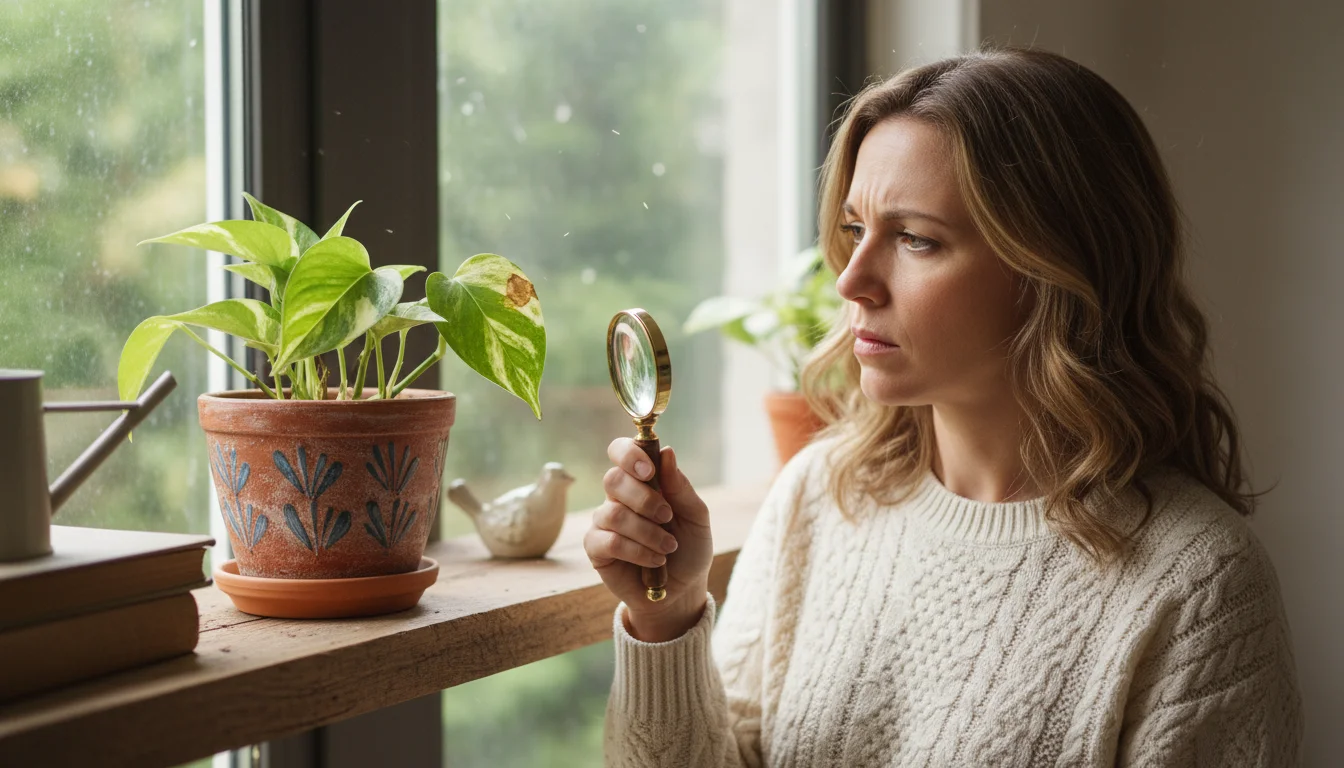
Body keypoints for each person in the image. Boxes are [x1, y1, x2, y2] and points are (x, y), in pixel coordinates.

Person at [585, 47, 1303, 767]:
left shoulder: (1199, 588)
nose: (853, 281)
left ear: (1057, 270)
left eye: (916, 239)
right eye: (854, 230)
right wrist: (665, 619)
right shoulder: (819, 495)